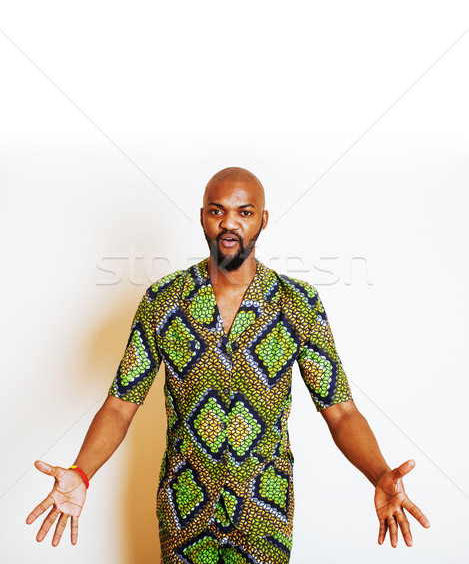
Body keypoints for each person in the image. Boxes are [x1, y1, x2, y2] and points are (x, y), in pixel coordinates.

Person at [26, 167, 430, 563]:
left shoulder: (297, 303)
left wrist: (379, 474)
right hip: (184, 505)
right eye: (217, 211)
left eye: (245, 211)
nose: (229, 224)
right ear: (202, 216)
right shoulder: (164, 300)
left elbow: (340, 411)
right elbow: (119, 406)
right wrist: (81, 472)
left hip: (265, 510)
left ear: (263, 220)